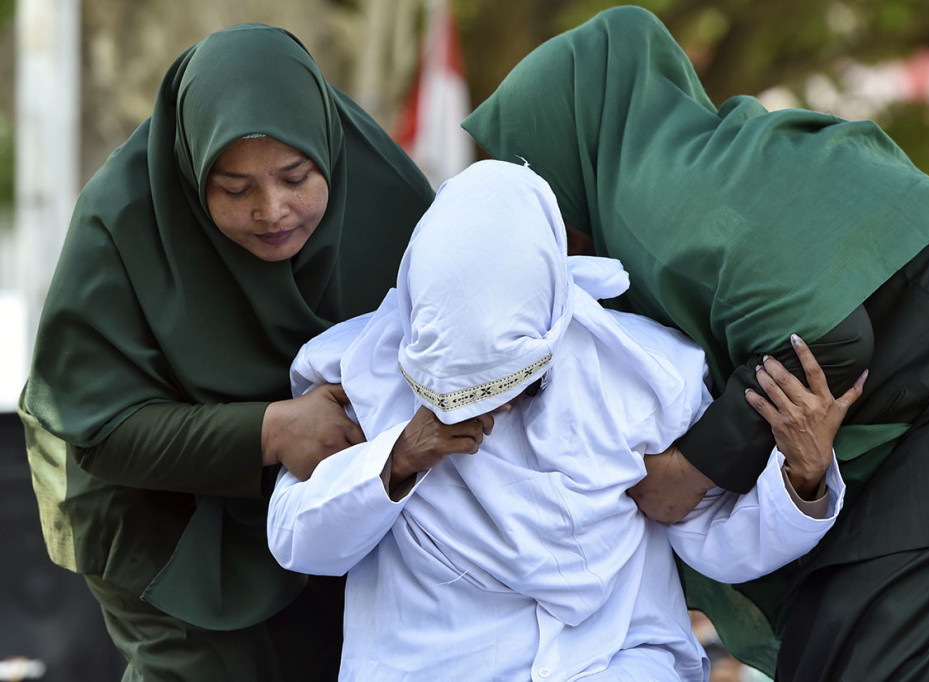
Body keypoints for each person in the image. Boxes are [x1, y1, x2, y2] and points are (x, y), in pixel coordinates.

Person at [461, 6, 929, 681]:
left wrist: (687, 474)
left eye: (521, 168)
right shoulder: (711, 161)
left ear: (563, 142)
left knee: (867, 644)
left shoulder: (656, 207)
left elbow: (827, 341)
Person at [267, 159, 862, 681]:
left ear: (551, 322)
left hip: (614, 662)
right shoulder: (357, 373)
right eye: (459, 391)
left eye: (508, 382)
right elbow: (299, 542)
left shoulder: (647, 377)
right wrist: (396, 458)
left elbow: (713, 540)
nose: (488, 410)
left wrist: (801, 480)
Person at [17, 24, 434, 681]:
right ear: (191, 172)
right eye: (235, 189)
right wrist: (271, 429)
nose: (273, 210)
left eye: (296, 176)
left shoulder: (395, 204)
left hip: (337, 513)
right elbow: (102, 433)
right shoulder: (124, 223)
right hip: (164, 516)